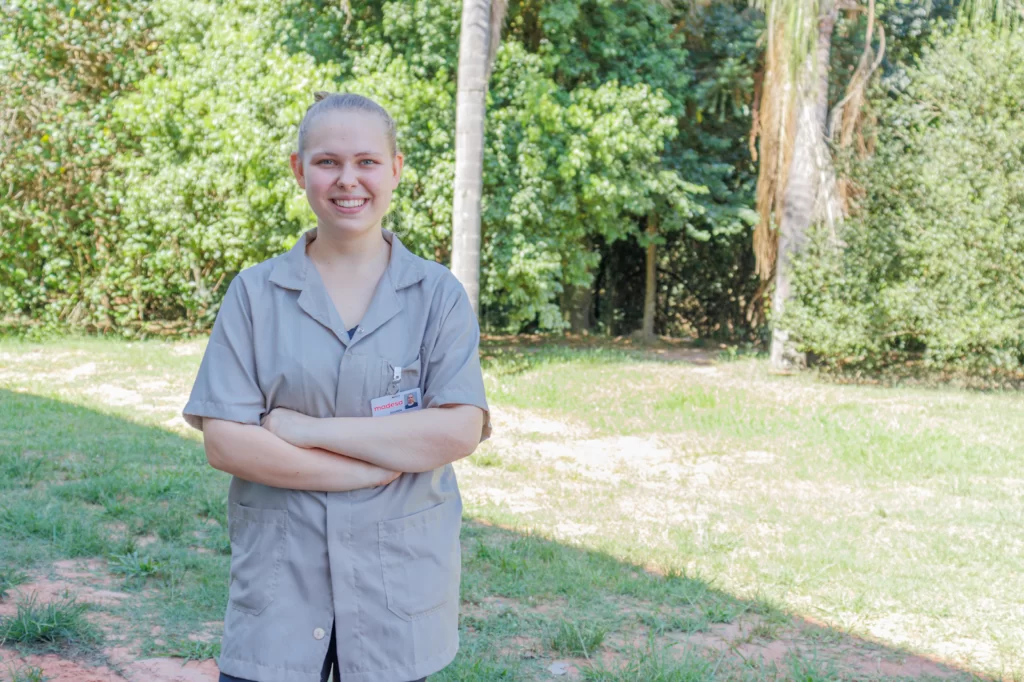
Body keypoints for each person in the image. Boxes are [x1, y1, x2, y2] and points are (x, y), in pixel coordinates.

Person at [182, 92, 490, 682]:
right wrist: (365, 472)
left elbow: (458, 429)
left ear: (395, 168)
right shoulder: (254, 294)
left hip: (396, 588)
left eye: (366, 161)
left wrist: (306, 430)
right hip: (280, 586)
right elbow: (226, 442)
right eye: (327, 162)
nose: (348, 179)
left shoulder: (437, 296)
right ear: (300, 170)